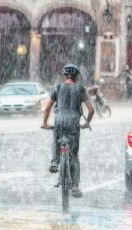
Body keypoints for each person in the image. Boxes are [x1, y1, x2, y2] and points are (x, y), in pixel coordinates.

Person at [41, 64, 94, 198]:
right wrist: (86, 123)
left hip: (59, 121)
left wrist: (45, 123)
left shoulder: (58, 87)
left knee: (56, 140)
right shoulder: (80, 89)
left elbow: (47, 108)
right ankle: (75, 186)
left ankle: (54, 161)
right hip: (73, 123)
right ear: (77, 76)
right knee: (74, 156)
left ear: (65, 76)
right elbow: (91, 109)